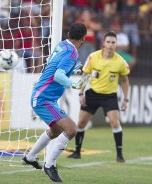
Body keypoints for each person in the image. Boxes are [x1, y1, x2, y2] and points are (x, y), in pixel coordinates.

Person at [22, 23, 87, 182]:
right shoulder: (71, 53)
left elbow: (55, 64)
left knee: (56, 130)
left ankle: (30, 157)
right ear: (83, 38)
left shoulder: (63, 45)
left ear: (69, 33)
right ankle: (49, 165)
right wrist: (73, 83)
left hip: (43, 96)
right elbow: (58, 75)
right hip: (44, 98)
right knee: (71, 129)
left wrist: (76, 69)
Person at [67, 31, 130, 163]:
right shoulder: (93, 57)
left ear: (116, 44)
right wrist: (80, 93)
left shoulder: (120, 61)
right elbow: (85, 75)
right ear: (103, 43)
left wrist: (125, 99)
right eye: (108, 42)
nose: (111, 45)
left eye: (113, 42)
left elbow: (125, 81)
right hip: (93, 94)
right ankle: (77, 152)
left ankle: (120, 154)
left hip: (110, 96)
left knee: (115, 122)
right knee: (81, 123)